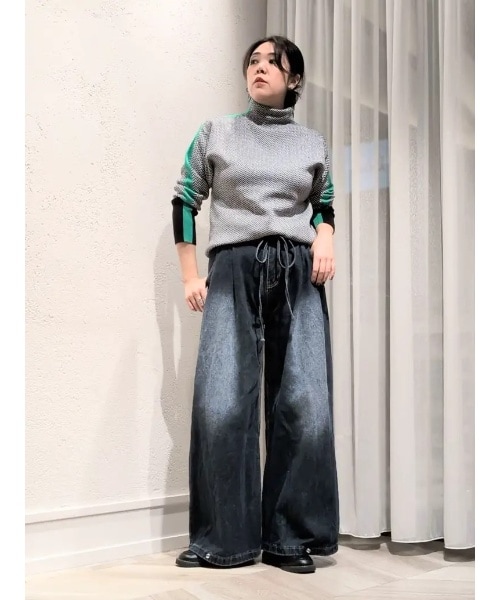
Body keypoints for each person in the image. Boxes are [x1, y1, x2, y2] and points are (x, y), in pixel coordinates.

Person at [171, 35, 339, 575]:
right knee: (222, 401)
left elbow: (324, 205)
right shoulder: (216, 132)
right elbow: (184, 199)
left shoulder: (312, 142)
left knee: (304, 403)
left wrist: (326, 235)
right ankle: (222, 540)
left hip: (298, 272)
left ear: (295, 79)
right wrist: (191, 275)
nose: (259, 68)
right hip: (233, 268)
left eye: (273, 62)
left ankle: (289, 537)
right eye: (253, 61)